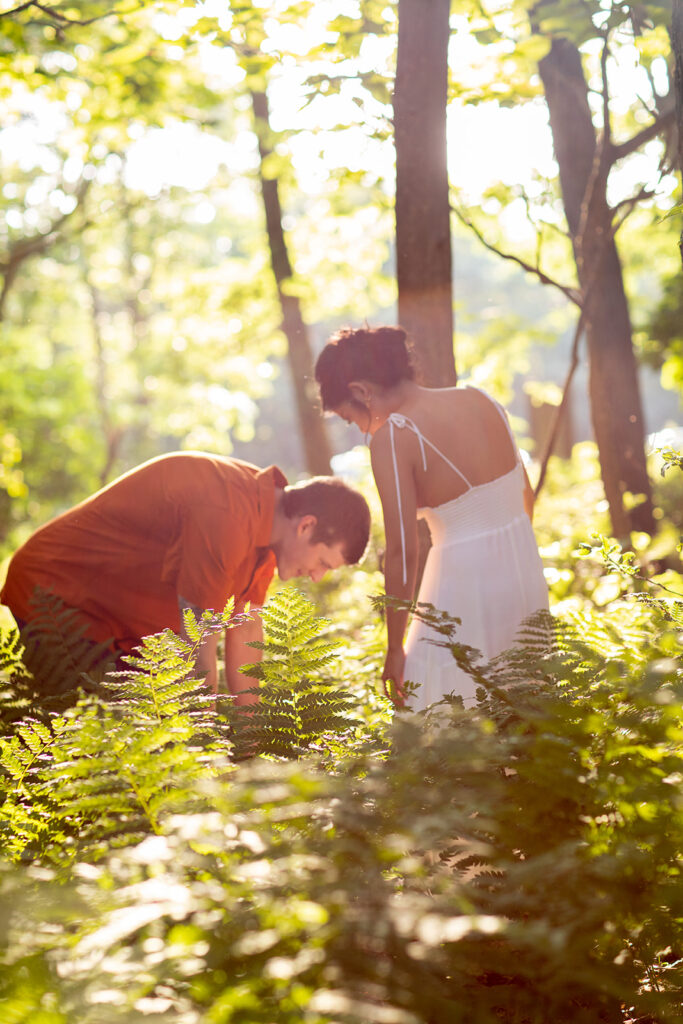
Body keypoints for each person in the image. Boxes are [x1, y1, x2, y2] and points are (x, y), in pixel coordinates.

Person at [1, 451, 370, 702]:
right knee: (103, 731)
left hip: (117, 621)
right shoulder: (227, 513)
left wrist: (254, 748)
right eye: (324, 562)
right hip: (58, 595)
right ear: (306, 526)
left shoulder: (269, 537)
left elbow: (245, 632)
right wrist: (208, 751)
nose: (319, 577)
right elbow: (196, 642)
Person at [314, 325, 548, 711]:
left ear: (361, 391)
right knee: (525, 716)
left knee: (437, 715)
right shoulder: (482, 399)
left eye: (348, 417)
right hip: (525, 575)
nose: (359, 429)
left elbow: (402, 552)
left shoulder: (394, 437)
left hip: (464, 588)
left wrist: (394, 649)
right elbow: (525, 498)